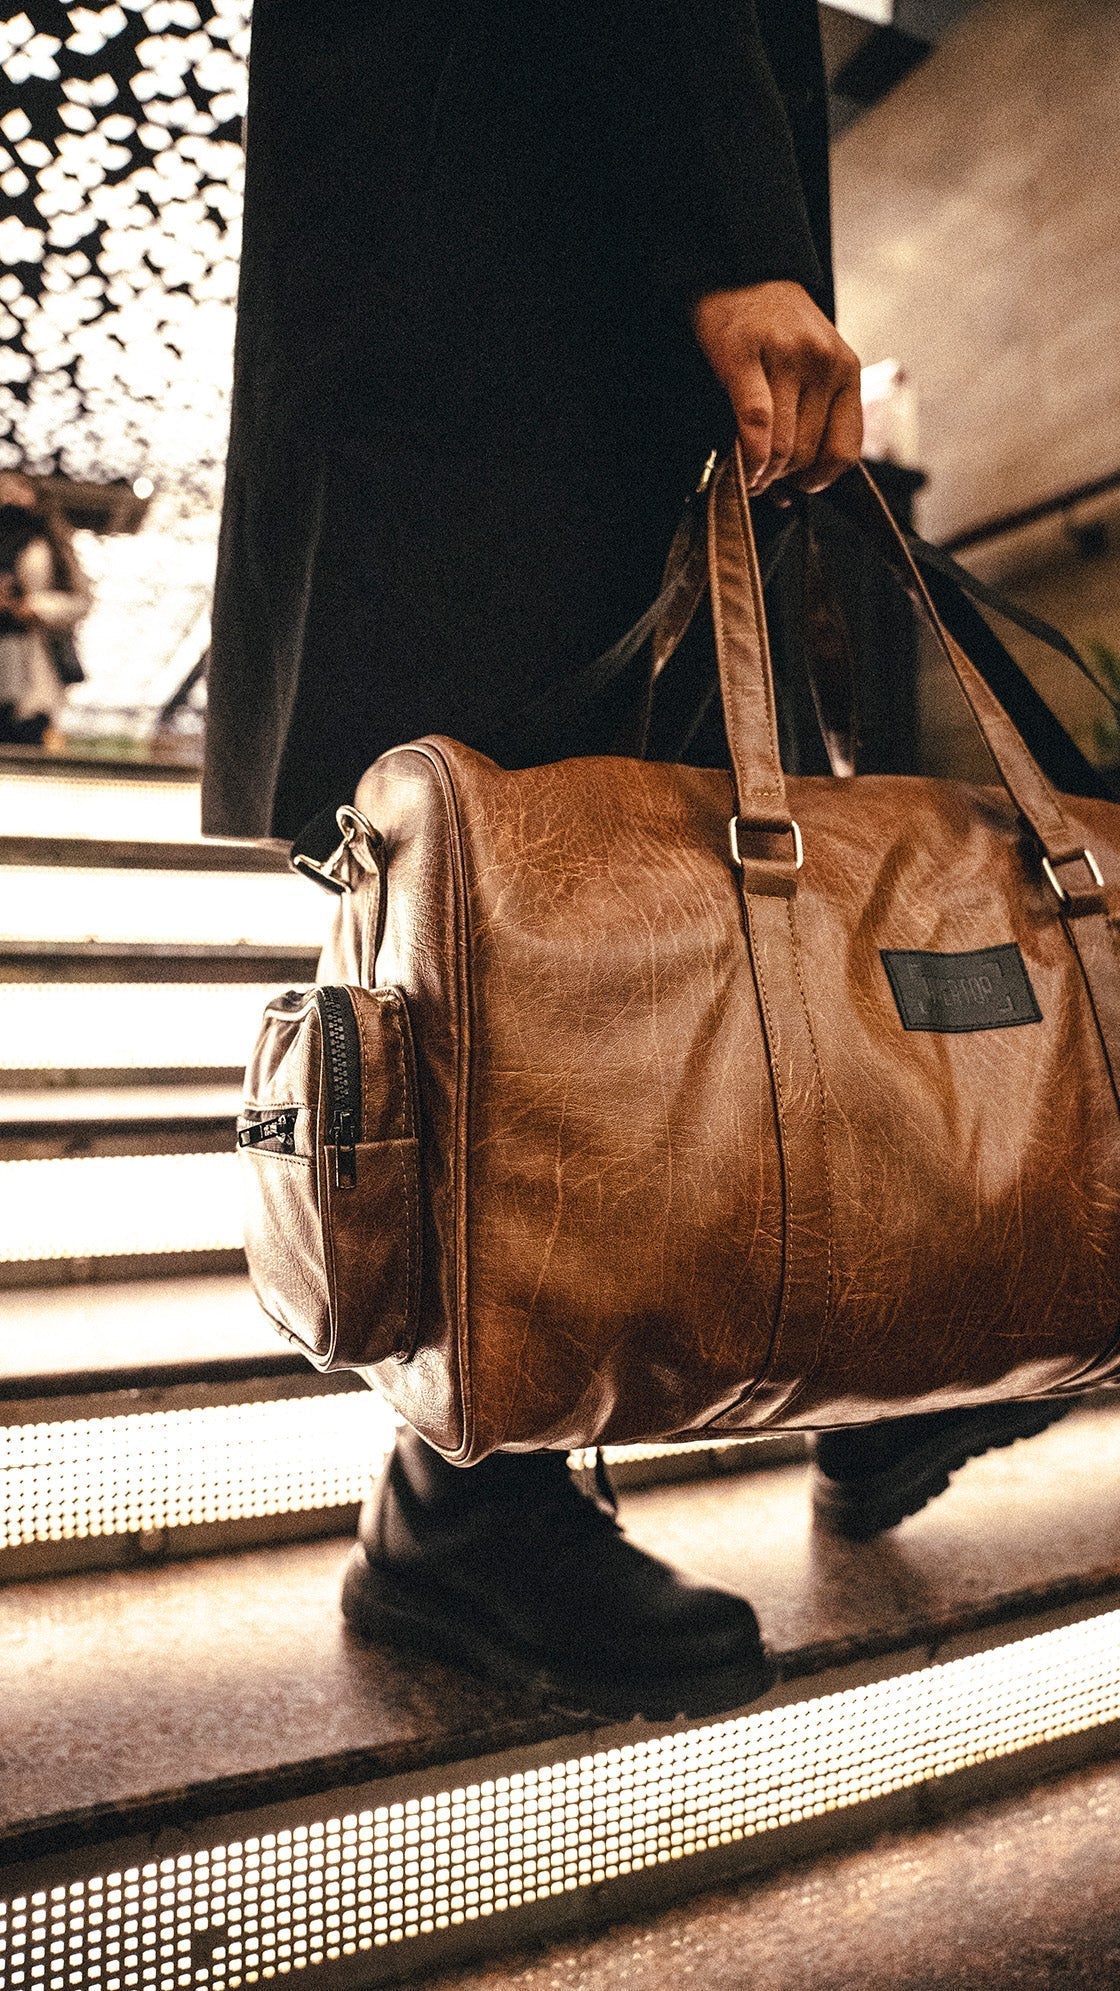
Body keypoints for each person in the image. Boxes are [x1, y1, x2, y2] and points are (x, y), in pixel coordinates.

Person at [205, 0, 1064, 1718]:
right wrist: (730, 236)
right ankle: (467, 1491)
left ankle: (869, 1346)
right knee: (528, 877)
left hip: (515, 253)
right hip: (521, 267)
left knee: (621, 873)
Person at [0, 471, 88, 748]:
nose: (10, 494)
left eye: (19, 487)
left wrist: (34, 606)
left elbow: (81, 601)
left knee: (24, 737)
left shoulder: (50, 546)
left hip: (30, 666)